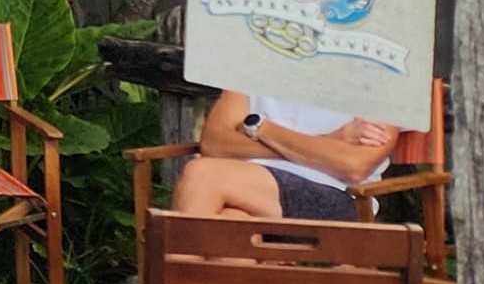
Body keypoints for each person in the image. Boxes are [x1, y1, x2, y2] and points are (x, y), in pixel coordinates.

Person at [170, 88, 405, 222]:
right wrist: (327, 142)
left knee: (203, 174)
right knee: (231, 227)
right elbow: (215, 143)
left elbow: (354, 165)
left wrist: (263, 130)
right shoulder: (254, 60)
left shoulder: (380, 77)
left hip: (335, 196)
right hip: (249, 193)